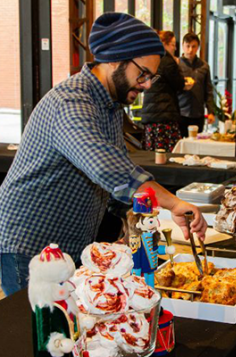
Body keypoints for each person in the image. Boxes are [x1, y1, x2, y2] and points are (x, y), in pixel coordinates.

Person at [0, 13, 207, 297]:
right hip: (31, 246)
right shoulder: (72, 101)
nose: (147, 85)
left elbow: (111, 185)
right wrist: (173, 203)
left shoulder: (109, 106)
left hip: (69, 246)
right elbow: (110, 170)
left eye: (152, 76)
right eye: (143, 74)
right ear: (113, 59)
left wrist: (121, 224)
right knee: (41, 335)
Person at [141, 31, 194, 152]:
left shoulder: (151, 58)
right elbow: (179, 83)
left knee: (151, 155)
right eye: (173, 44)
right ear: (164, 44)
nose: (175, 48)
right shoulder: (168, 60)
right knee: (167, 155)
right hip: (165, 115)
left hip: (149, 114)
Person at [177, 32, 216, 137]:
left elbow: (208, 90)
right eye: (188, 46)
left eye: (193, 46)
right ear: (183, 46)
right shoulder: (176, 65)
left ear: (198, 47)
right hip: (179, 112)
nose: (190, 50)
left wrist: (211, 111)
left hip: (198, 113)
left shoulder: (204, 66)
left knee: (196, 145)